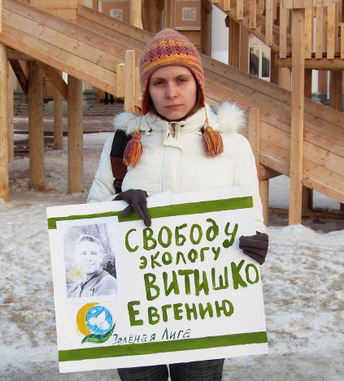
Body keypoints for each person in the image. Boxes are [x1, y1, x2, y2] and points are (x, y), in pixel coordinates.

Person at [88, 28, 268, 380]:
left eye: (181, 79)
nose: (171, 92)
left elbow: (251, 219)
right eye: (159, 82)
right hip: (136, 307)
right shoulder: (122, 143)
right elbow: (91, 218)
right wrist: (117, 202)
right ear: (146, 89)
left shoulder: (232, 146)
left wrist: (257, 242)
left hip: (203, 305)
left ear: (197, 82)